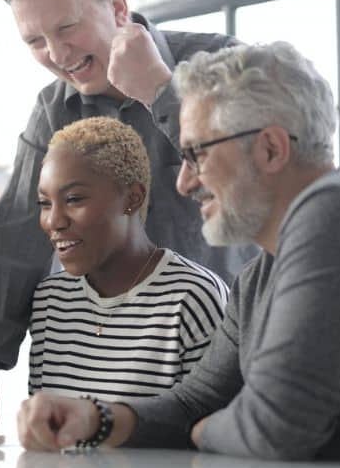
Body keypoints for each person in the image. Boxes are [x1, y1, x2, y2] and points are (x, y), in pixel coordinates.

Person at [17, 42, 340, 468]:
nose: (185, 182)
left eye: (196, 154)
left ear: (271, 148)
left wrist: (204, 430)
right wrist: (97, 418)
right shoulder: (260, 274)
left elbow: (273, 429)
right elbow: (195, 401)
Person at [0, 0, 256, 431]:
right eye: (34, 40)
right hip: (108, 374)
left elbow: (253, 178)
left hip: (227, 365)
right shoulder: (51, 109)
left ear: (118, 4)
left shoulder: (221, 64)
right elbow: (14, 244)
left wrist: (159, 90)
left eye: (67, 27)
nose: (56, 52)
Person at [29, 117, 228, 399]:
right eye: (45, 204)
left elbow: (213, 430)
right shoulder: (50, 300)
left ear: (133, 198)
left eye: (74, 199)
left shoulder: (193, 298)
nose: (54, 221)